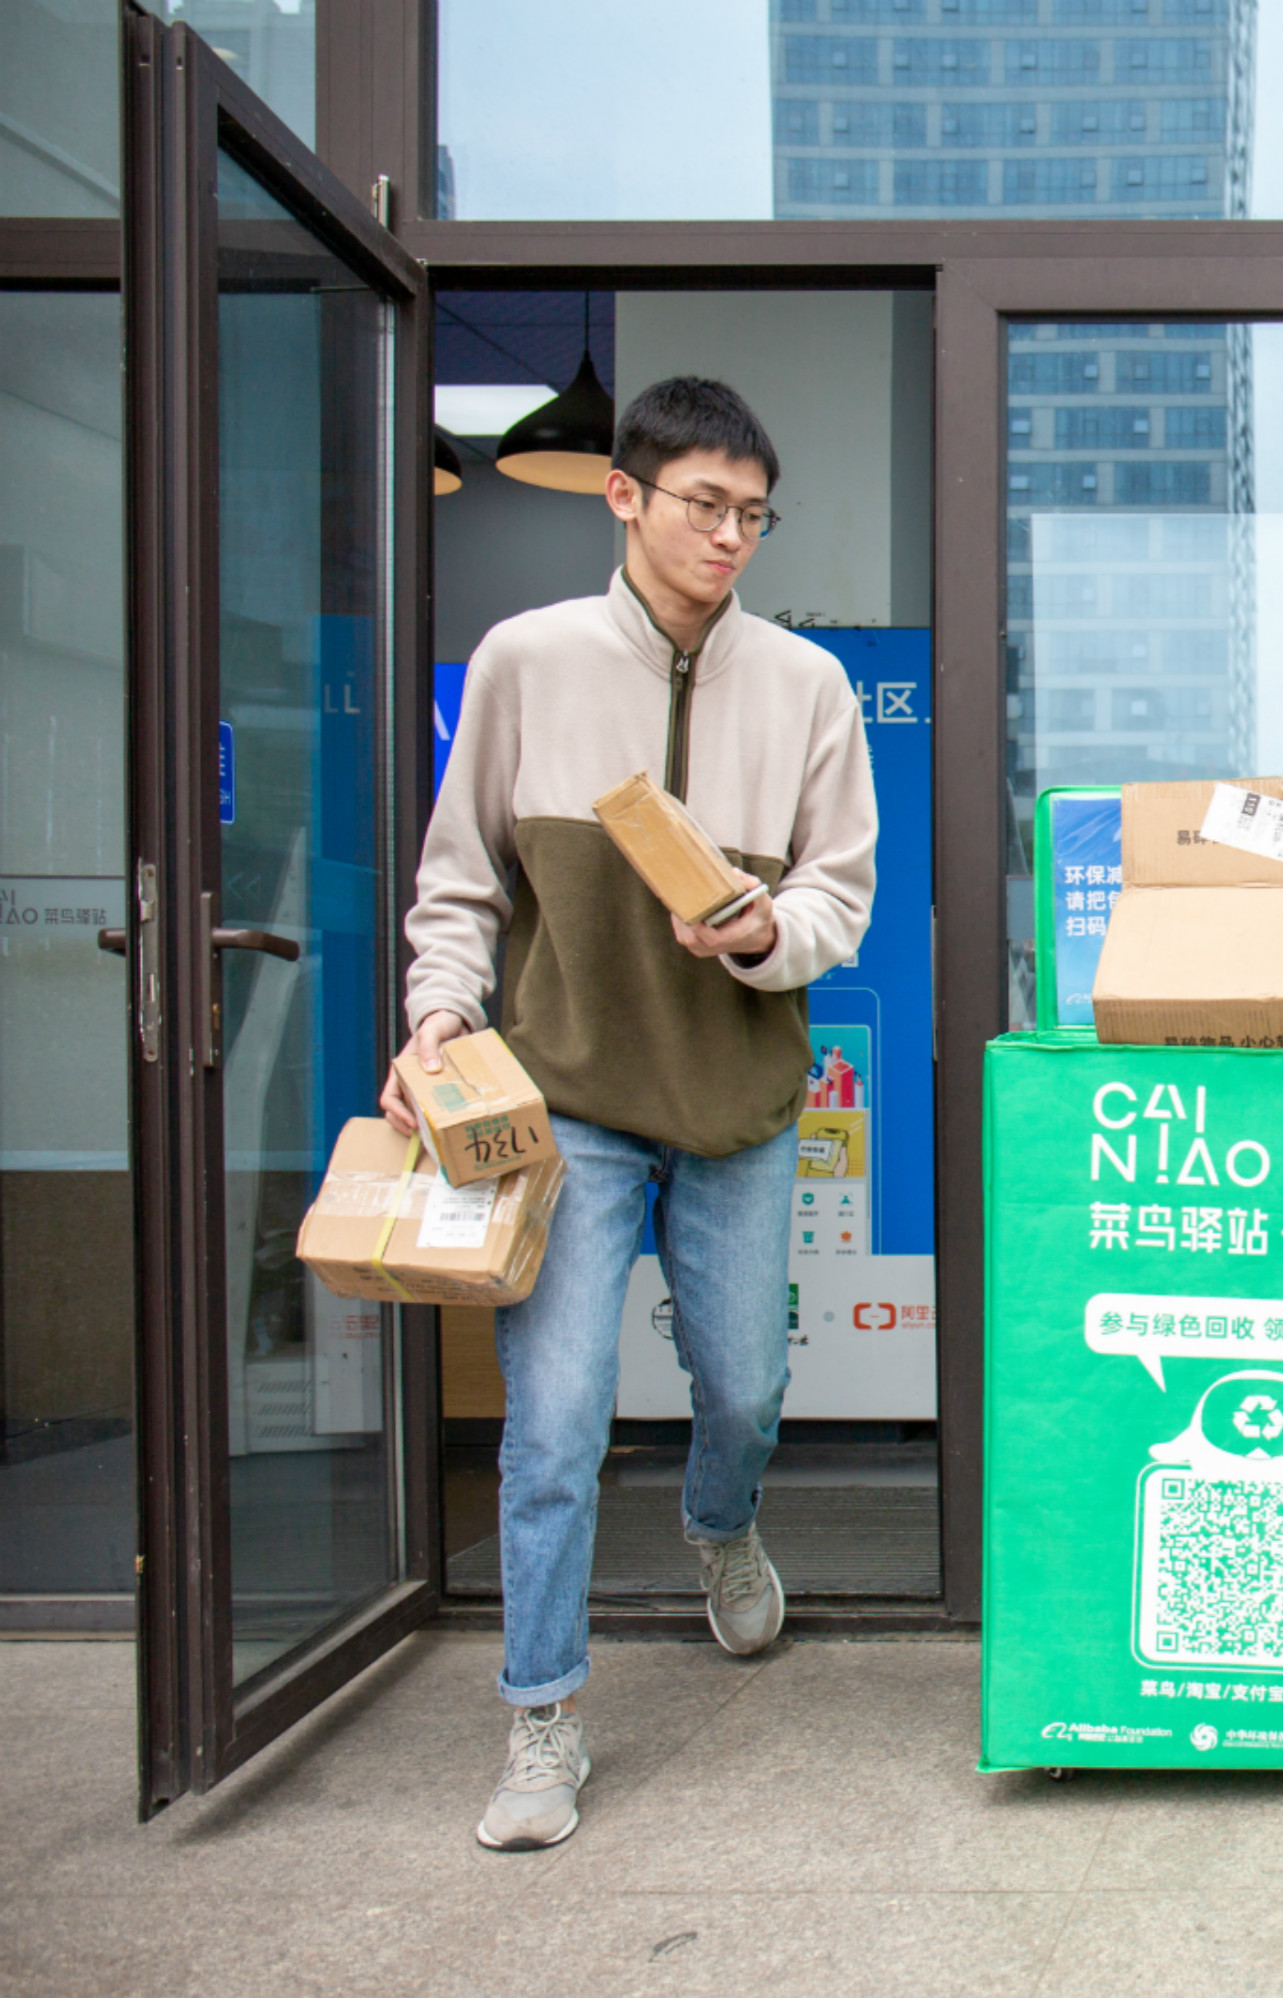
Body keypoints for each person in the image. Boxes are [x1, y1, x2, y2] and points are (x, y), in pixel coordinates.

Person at [389, 377, 879, 1850]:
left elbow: (838, 895)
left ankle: (722, 1525)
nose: (731, 536)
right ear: (626, 496)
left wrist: (757, 934)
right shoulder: (526, 662)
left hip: (733, 1095)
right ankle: (543, 1714)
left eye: (752, 513)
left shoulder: (806, 686)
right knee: (549, 1423)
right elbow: (461, 878)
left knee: (741, 1387)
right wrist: (437, 1015)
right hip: (570, 1098)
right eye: (704, 505)